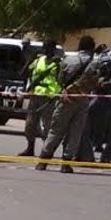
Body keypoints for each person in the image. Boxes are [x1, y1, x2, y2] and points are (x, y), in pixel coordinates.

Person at [37, 35, 98, 173]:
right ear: (91, 48)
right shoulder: (95, 63)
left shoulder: (68, 60)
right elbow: (95, 84)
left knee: (55, 131)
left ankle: (43, 160)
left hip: (65, 100)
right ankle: (66, 163)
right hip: (82, 101)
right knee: (75, 133)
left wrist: (65, 92)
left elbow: (59, 80)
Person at [22, 39, 61, 156]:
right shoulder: (39, 60)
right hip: (35, 95)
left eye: (49, 48)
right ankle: (30, 148)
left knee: (48, 125)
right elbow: (24, 72)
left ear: (54, 49)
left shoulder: (58, 63)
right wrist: (30, 59)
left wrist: (56, 94)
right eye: (45, 47)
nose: (46, 50)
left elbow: (61, 80)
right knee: (30, 124)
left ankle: (47, 151)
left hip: (49, 97)